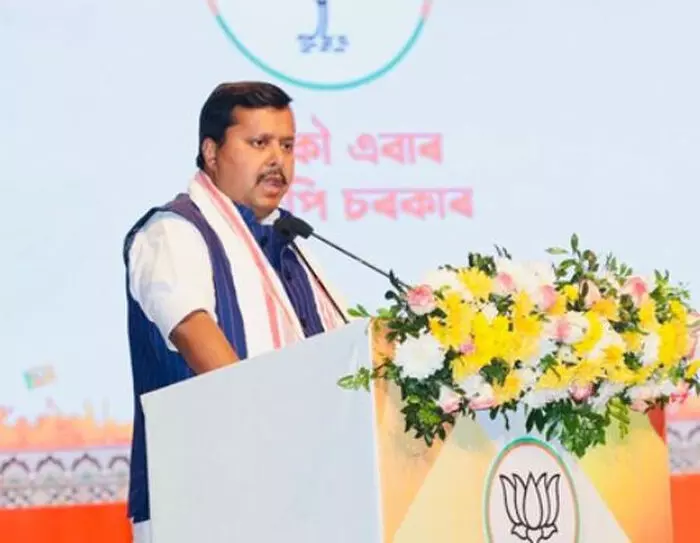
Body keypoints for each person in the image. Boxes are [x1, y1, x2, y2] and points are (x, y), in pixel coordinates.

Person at [122, 81, 347, 543]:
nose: (277, 160)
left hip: (304, 495)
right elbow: (198, 338)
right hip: (204, 500)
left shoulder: (288, 247)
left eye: (287, 146)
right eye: (259, 143)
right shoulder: (174, 233)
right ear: (211, 152)